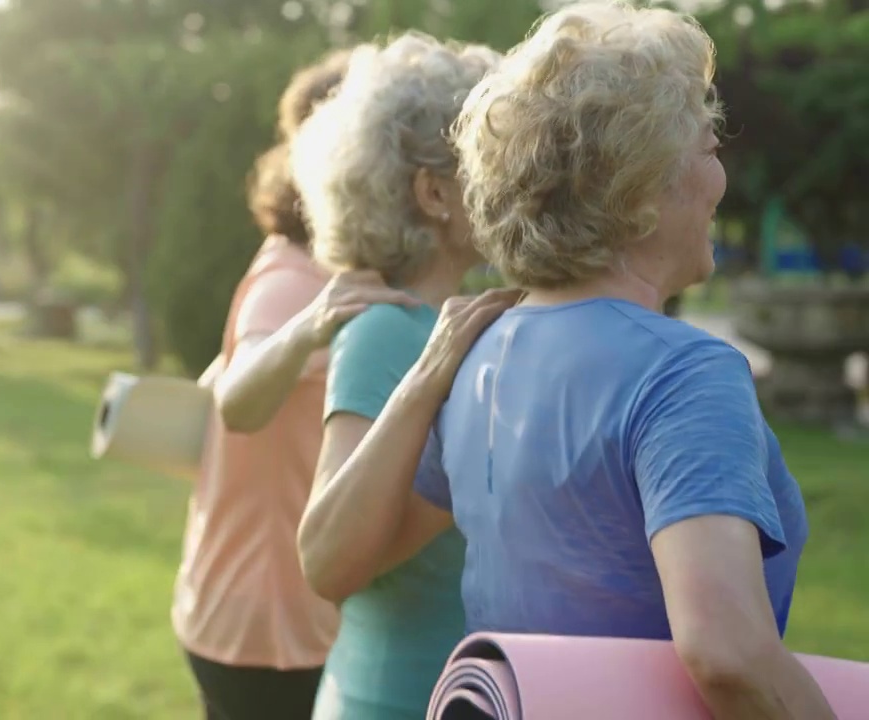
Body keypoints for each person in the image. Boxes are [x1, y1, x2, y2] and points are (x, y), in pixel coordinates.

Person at [304, 4, 837, 719]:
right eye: (710, 149)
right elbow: (727, 652)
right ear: (642, 188)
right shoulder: (685, 373)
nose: (721, 181)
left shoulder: (478, 354)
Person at [175, 49, 418, 720]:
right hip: (266, 628)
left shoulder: (321, 271)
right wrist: (308, 328)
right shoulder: (294, 278)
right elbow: (237, 401)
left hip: (264, 611)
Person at [289, 33, 501, 720]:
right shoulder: (388, 330)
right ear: (435, 192)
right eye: (489, 162)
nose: (513, 181)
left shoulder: (472, 322)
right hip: (392, 699)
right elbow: (333, 562)